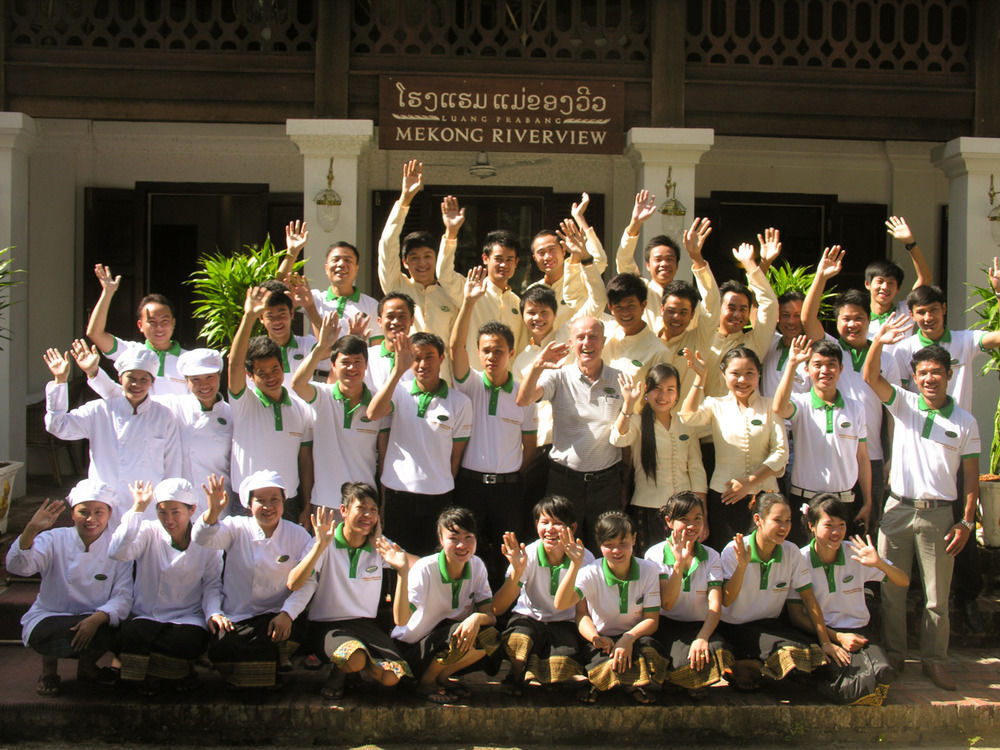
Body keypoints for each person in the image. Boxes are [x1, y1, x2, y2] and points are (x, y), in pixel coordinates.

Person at [863, 315, 981, 691]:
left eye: (937, 372)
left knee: (935, 597)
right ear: (914, 377)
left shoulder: (965, 422)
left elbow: (972, 479)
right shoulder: (906, 405)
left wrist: (966, 522)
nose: (929, 378)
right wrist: (878, 340)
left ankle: (935, 660)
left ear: (949, 374)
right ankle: (896, 655)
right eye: (923, 373)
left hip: (940, 516)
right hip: (897, 510)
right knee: (891, 592)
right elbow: (870, 378)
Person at [801, 246, 902, 528]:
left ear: (869, 319)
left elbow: (893, 412)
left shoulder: (887, 357)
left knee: (868, 528)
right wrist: (821, 276)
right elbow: (807, 320)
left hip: (874, 457)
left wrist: (893, 456)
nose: (852, 324)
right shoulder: (832, 352)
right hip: (835, 458)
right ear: (837, 322)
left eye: (859, 318)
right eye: (846, 319)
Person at [450, 266, 538, 586]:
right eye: (486, 350)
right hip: (470, 486)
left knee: (507, 555)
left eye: (499, 350)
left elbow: (530, 447)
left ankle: (502, 619)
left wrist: (512, 476)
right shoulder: (469, 385)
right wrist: (469, 303)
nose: (491, 356)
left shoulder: (523, 393)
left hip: (509, 490)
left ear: (511, 353)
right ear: (478, 352)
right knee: (466, 553)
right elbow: (454, 349)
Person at [286, 483, 414, 700]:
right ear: (343, 511)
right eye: (361, 508)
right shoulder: (323, 541)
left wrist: (400, 564)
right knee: (353, 658)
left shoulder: (379, 545)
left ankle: (361, 670)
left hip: (365, 626)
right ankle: (341, 672)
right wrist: (320, 547)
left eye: (373, 510)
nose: (368, 515)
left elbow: (416, 564)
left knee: (392, 677)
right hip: (327, 625)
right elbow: (293, 583)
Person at [5, 479, 132, 696]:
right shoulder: (54, 539)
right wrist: (31, 529)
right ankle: (48, 671)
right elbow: (19, 566)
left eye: (99, 512)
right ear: (73, 514)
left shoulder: (117, 546)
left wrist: (96, 619)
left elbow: (123, 595)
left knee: (122, 631)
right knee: (43, 633)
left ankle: (87, 667)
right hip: (52, 617)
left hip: (95, 618)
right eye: (84, 512)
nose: (91, 519)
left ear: (109, 514)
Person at [75, 342, 234, 510]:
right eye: (195, 379)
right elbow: (125, 395)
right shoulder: (173, 406)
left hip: (218, 499)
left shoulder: (231, 415)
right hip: (179, 503)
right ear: (186, 382)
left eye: (209, 377)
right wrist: (94, 373)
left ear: (220, 376)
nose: (204, 385)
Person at [192, 471, 314, 689]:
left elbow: (309, 581)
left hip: (279, 616)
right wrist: (212, 512)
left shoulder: (298, 535)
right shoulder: (236, 527)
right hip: (238, 616)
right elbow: (201, 538)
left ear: (284, 502)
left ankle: (263, 676)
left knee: (275, 636)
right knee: (224, 645)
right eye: (260, 501)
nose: (268, 507)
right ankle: (263, 673)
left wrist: (288, 613)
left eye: (274, 500)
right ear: (249, 504)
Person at [718, 492, 848, 692]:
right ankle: (741, 664)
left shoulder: (791, 552)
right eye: (777, 520)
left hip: (770, 625)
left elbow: (809, 599)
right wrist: (742, 566)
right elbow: (726, 601)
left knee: (813, 655)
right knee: (789, 653)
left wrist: (826, 641)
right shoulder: (734, 550)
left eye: (787, 521)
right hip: (736, 626)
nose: (784, 527)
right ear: (758, 520)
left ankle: (753, 667)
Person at [786, 494, 908, 705]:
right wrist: (837, 637)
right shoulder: (799, 559)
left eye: (841, 525)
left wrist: (879, 563)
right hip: (820, 634)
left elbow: (903, 580)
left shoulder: (855, 553)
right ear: (811, 526)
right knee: (852, 685)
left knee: (882, 673)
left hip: (858, 632)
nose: (836, 532)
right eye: (828, 525)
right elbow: (796, 616)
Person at [516, 317, 625, 552]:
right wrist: (538, 366)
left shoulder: (619, 380)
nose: (587, 342)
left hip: (606, 484)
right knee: (561, 551)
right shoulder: (558, 376)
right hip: (564, 482)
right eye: (580, 337)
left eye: (593, 336)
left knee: (605, 550)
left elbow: (633, 419)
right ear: (571, 342)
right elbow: (524, 400)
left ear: (603, 341)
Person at [108, 478, 223, 695]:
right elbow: (117, 552)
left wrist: (213, 613)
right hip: (148, 615)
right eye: (162, 512)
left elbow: (211, 585)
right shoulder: (147, 531)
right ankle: (167, 674)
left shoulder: (207, 541)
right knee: (130, 634)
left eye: (175, 512)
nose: (168, 520)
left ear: (192, 510)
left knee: (186, 642)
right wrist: (137, 510)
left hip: (187, 617)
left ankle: (155, 673)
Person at [43, 346, 182, 517]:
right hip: (105, 507)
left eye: (143, 380)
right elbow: (58, 426)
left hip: (149, 508)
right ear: (120, 378)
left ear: (152, 382)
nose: (136, 385)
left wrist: (168, 502)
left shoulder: (164, 415)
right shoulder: (99, 411)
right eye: (131, 378)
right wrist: (60, 379)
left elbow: (173, 465)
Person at [369, 331, 473, 556]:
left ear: (442, 359)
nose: (422, 363)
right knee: (394, 561)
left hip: (438, 495)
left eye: (429, 357)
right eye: (416, 358)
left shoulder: (460, 403)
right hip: (398, 492)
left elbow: (456, 456)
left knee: (430, 563)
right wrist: (398, 371)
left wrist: (440, 479)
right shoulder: (398, 391)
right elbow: (373, 413)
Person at [678, 346, 788, 550]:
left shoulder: (770, 406)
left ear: (759, 374)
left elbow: (781, 453)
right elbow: (688, 416)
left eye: (749, 374)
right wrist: (700, 378)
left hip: (766, 498)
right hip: (725, 497)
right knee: (727, 558)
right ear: (723, 374)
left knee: (764, 557)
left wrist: (750, 482)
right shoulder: (716, 404)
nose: (742, 381)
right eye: (735, 374)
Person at [391, 507, 499, 704]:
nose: (462, 545)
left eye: (468, 537)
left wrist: (476, 617)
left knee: (489, 636)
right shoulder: (425, 569)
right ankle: (425, 682)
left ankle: (441, 677)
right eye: (454, 538)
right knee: (456, 633)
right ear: (441, 540)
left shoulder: (476, 565)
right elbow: (401, 620)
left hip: (446, 638)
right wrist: (402, 573)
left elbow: (490, 615)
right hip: (412, 647)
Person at [554, 511, 664, 704]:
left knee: (647, 652)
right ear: (599, 545)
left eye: (623, 543)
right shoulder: (590, 572)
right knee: (600, 663)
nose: (617, 551)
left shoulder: (649, 570)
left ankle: (631, 685)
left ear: (634, 539)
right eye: (609, 545)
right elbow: (573, 610)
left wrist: (628, 639)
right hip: (602, 640)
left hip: (634, 636)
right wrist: (595, 638)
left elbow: (652, 620)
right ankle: (606, 683)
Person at [772, 336, 871, 545]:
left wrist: (868, 501)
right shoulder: (801, 403)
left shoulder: (856, 408)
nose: (825, 371)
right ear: (807, 369)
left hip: (844, 501)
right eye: (818, 365)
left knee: (842, 565)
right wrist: (792, 363)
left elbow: (862, 456)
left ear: (841, 369)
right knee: (804, 566)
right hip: (805, 500)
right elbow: (778, 408)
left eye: (831, 365)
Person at [491, 495, 595, 696]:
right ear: (536, 524)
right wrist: (517, 572)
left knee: (562, 666)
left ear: (572, 528)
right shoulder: (527, 554)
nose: (550, 529)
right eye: (544, 522)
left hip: (565, 623)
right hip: (529, 618)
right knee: (519, 641)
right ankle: (517, 673)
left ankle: (535, 675)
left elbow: (583, 610)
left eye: (558, 524)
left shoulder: (585, 558)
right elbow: (498, 608)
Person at [290, 316, 388, 526]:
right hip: (325, 503)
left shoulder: (377, 403)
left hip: (365, 504)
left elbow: (385, 458)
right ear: (333, 366)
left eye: (357, 362)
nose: (352, 368)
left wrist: (382, 503)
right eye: (345, 362)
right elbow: (297, 384)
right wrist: (321, 347)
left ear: (366, 365)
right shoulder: (322, 396)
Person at [228, 286, 314, 522]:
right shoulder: (244, 403)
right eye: (261, 373)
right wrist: (248, 316)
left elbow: (305, 461)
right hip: (247, 503)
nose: (270, 377)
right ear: (250, 376)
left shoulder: (300, 409)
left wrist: (307, 504)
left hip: (289, 504)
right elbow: (234, 363)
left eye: (275, 369)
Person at [644, 492, 731, 696]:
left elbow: (715, 605)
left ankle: (691, 680)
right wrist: (679, 564)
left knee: (716, 650)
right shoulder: (654, 554)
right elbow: (667, 603)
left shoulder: (711, 556)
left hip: (698, 625)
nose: (691, 526)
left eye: (697, 519)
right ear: (669, 521)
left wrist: (702, 637)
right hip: (667, 624)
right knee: (680, 659)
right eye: (684, 520)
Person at [612, 365, 707, 550]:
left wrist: (703, 516)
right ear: (646, 391)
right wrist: (628, 404)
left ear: (678, 394)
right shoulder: (638, 421)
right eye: (657, 389)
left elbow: (696, 471)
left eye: (670, 389)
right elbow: (618, 438)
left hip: (684, 513)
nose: (663, 396)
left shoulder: (686, 424)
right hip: (647, 509)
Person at [377, 160, 459, 345]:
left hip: (443, 371)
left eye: (427, 256)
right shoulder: (397, 288)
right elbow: (387, 244)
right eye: (414, 258)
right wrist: (405, 199)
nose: (422, 263)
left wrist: (451, 233)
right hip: (406, 369)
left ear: (436, 259)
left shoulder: (451, 293)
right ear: (405, 263)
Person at [437, 195, 526, 356]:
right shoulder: (471, 291)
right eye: (498, 259)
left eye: (509, 259)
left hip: (507, 379)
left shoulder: (517, 302)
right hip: (473, 378)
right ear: (485, 259)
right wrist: (451, 233)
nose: (504, 265)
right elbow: (444, 275)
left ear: (516, 262)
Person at [85, 263, 188, 396]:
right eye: (152, 322)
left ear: (173, 323)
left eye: (165, 321)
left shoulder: (188, 358)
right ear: (140, 325)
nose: (159, 327)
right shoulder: (131, 352)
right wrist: (108, 292)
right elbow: (95, 333)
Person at [277, 223, 383, 344]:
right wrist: (292, 252)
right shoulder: (314, 299)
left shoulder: (371, 305)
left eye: (348, 260)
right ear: (326, 268)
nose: (341, 264)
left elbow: (376, 350)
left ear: (356, 268)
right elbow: (276, 292)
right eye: (335, 260)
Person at [702, 238, 779, 397]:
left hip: (742, 419)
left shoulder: (755, 342)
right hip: (701, 419)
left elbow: (769, 304)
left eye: (743, 309)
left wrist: (750, 265)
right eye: (731, 308)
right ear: (719, 308)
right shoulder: (702, 336)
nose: (737, 314)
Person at [654, 217, 719, 400]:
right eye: (671, 310)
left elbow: (712, 303)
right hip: (653, 425)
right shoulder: (648, 338)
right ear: (661, 309)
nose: (676, 317)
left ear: (692, 316)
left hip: (689, 426)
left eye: (683, 313)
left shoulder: (699, 340)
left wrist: (696, 258)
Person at [865, 215, 933, 340]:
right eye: (880, 281)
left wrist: (910, 243)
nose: (885, 287)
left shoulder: (905, 312)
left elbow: (925, 279)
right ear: (867, 284)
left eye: (891, 283)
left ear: (898, 289)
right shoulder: (859, 318)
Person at [602, 272, 668, 384]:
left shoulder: (658, 351)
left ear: (643, 305)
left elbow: (658, 397)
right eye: (618, 307)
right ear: (611, 308)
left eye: (631, 306)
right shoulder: (604, 335)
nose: (625, 313)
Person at [256, 279, 318, 388]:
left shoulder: (307, 344)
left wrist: (309, 306)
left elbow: (327, 348)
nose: (277, 321)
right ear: (261, 318)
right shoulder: (254, 352)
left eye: (282, 314)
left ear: (292, 314)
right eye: (270, 316)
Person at [760, 290, 809, 398]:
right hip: (766, 414)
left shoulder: (812, 353)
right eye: (786, 315)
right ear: (778, 317)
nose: (791, 321)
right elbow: (756, 307)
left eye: (797, 315)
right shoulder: (770, 342)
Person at [365, 292, 417, 390]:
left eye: (402, 316)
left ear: (412, 320)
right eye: (390, 316)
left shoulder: (421, 358)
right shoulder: (366, 357)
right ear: (379, 322)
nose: (396, 322)